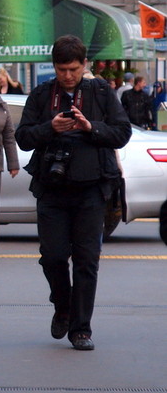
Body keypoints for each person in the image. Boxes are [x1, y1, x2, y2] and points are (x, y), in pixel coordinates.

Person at [15, 35, 131, 351]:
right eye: (62, 69)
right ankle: (62, 305)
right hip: (52, 190)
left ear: (84, 65)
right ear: (54, 67)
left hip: (91, 189)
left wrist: (89, 128)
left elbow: (122, 133)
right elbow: (23, 138)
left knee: (86, 260)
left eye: (74, 69)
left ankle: (81, 328)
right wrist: (50, 128)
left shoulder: (101, 93)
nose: (68, 75)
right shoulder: (41, 95)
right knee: (51, 257)